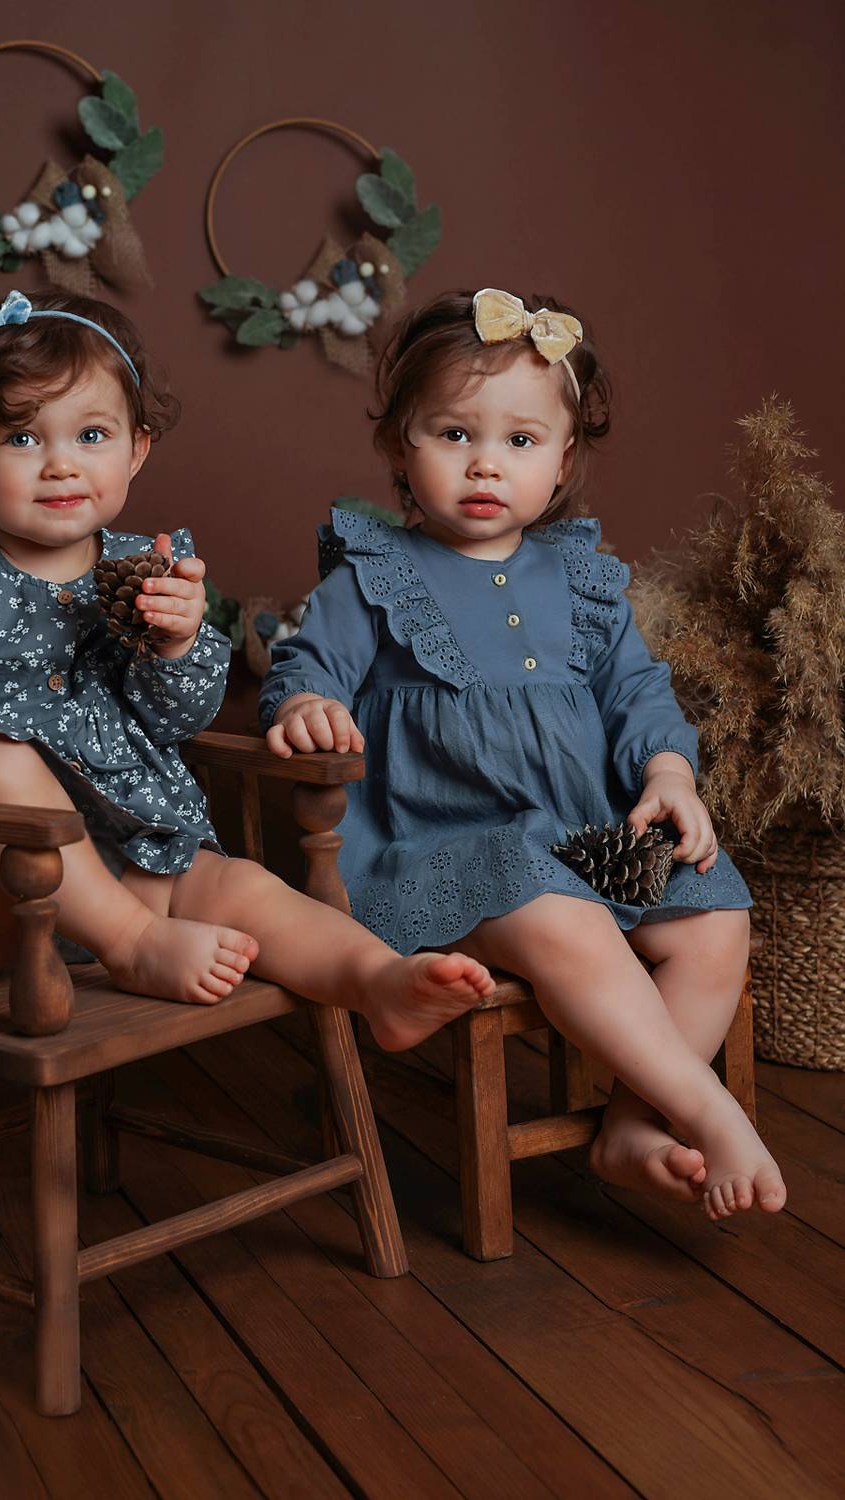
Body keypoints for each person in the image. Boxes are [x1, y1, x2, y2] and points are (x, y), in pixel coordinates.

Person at [0, 289, 494, 1046]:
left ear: (135, 450)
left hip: (134, 850)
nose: (60, 464)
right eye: (21, 438)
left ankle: (375, 979)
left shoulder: (147, 568)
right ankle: (132, 944)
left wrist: (176, 645)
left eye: (91, 434)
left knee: (242, 887)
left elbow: (177, 720)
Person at [260, 288, 786, 1221]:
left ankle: (632, 1124)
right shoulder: (374, 575)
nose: (485, 463)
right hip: (437, 851)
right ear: (398, 446)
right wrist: (307, 705)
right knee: (556, 913)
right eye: (453, 434)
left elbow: (637, 693)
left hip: (580, 839)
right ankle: (708, 1108)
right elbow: (308, 667)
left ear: (563, 458)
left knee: (717, 914)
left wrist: (667, 773)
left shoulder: (582, 579)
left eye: (520, 440)